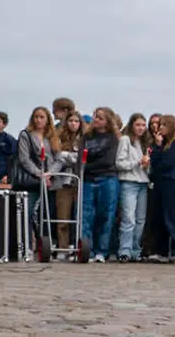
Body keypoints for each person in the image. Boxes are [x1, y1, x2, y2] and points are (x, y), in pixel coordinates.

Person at [80, 108, 121, 263]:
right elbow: (81, 160)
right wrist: (91, 160)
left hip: (108, 178)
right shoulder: (86, 137)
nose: (96, 120)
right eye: (95, 117)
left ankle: (101, 251)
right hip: (88, 179)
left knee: (106, 215)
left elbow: (109, 160)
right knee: (87, 215)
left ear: (107, 121)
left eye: (101, 118)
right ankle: (87, 250)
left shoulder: (113, 138)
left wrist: (91, 158)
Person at [149, 115, 175, 264]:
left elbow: (165, 163)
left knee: (172, 216)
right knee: (159, 217)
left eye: (164, 125)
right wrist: (158, 147)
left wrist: (159, 150)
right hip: (159, 183)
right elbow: (154, 161)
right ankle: (162, 250)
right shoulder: (160, 144)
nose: (160, 128)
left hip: (171, 183)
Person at [116, 113, 150, 262]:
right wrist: (137, 162)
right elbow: (120, 163)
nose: (141, 128)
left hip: (143, 182)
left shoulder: (144, 143)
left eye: (143, 125)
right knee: (128, 218)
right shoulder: (125, 140)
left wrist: (146, 165)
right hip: (129, 182)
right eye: (138, 125)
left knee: (140, 219)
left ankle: (136, 250)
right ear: (132, 125)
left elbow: (146, 168)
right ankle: (125, 250)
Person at [52, 111, 84, 252]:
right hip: (63, 182)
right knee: (62, 218)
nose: (73, 124)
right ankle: (62, 247)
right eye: (71, 121)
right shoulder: (59, 137)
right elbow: (57, 158)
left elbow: (82, 159)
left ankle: (77, 246)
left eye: (76, 121)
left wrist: (67, 156)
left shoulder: (85, 139)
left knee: (79, 217)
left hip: (80, 182)